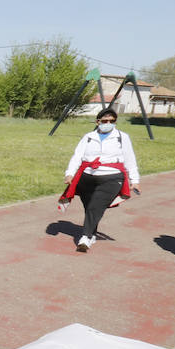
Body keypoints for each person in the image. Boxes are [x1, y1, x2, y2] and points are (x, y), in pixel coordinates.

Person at [58, 107, 140, 253]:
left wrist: (135, 179)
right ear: (98, 122)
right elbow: (77, 156)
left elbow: (130, 159)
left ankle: (85, 238)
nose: (108, 123)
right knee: (89, 206)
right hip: (87, 176)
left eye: (112, 121)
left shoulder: (122, 137)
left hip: (112, 177)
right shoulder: (88, 137)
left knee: (95, 206)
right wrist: (69, 173)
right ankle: (92, 233)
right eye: (105, 121)